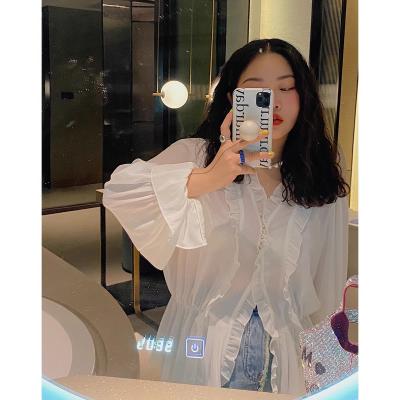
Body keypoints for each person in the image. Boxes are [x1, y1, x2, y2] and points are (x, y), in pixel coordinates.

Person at [102, 38, 349, 396]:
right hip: (203, 346)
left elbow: (328, 280)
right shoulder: (195, 155)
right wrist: (208, 179)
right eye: (257, 90)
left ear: (304, 96)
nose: (273, 101)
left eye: (286, 87)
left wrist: (328, 367)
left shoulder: (320, 171)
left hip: (287, 356)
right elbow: (121, 190)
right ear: (234, 98)